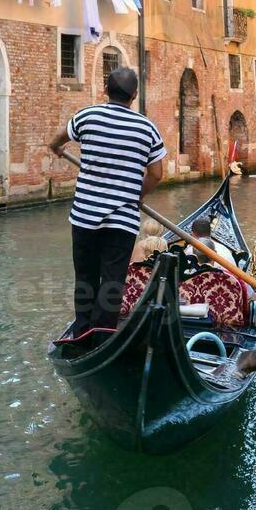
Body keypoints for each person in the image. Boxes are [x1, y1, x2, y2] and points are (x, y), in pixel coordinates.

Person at [49, 67, 167, 336]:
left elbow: (56, 140)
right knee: (112, 279)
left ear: (105, 90)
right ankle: (102, 332)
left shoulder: (86, 116)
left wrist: (57, 149)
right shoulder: (146, 128)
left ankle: (81, 328)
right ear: (134, 95)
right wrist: (138, 194)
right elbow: (157, 174)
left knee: (85, 275)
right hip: (122, 219)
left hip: (85, 216)